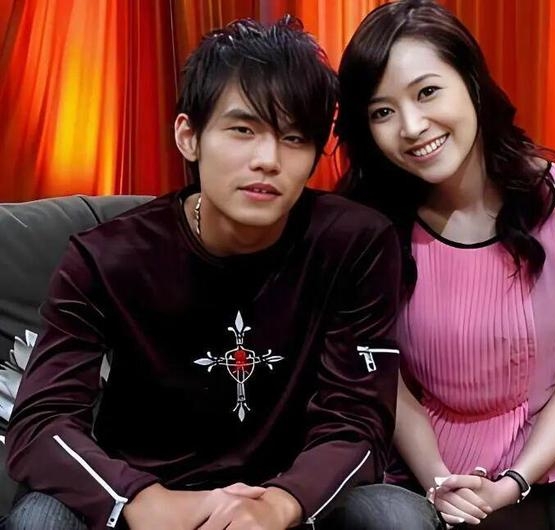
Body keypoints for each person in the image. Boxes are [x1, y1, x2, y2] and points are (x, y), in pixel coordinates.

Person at [5, 16, 404, 530]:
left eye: (294, 137)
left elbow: (359, 419)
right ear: (189, 136)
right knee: (40, 517)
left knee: (393, 514)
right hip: (147, 497)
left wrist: (281, 503)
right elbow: (41, 422)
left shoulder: (355, 243)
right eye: (243, 130)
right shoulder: (105, 257)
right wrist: (142, 501)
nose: (268, 160)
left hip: (288, 499)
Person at [334, 1, 555, 529]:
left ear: (471, 81)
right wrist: (441, 482)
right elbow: (389, 381)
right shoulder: (371, 224)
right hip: (424, 471)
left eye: (427, 92)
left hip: (545, 473)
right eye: (382, 112)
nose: (412, 126)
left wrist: (509, 485)